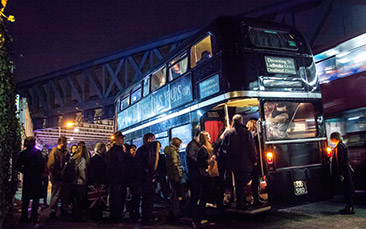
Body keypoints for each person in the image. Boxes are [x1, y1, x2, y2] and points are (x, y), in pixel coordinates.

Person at [222, 114, 256, 210]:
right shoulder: (246, 133)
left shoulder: (228, 133)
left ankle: (239, 201)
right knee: (243, 183)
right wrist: (254, 160)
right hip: (245, 162)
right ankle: (241, 203)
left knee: (237, 183)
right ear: (241, 121)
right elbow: (251, 148)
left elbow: (224, 148)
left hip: (233, 164)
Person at [16, 137, 45, 225]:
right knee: (35, 199)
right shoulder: (37, 153)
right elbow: (41, 165)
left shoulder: (23, 153)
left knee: (26, 199)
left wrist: (25, 171)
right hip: (36, 178)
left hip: (27, 178)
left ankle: (24, 217)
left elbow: (17, 166)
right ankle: (34, 217)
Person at [193, 131, 219, 228]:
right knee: (204, 197)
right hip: (206, 176)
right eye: (207, 136)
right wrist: (211, 160)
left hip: (208, 176)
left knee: (206, 197)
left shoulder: (207, 148)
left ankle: (204, 217)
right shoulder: (202, 150)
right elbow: (202, 164)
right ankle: (198, 219)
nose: (209, 137)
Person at [135, 141, 161, 225]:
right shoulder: (148, 152)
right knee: (148, 199)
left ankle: (147, 216)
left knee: (148, 199)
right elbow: (144, 166)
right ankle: (146, 218)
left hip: (146, 178)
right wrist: (150, 175)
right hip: (146, 179)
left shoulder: (144, 151)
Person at [330, 132, 355, 214]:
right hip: (346, 171)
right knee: (348, 190)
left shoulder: (339, 147)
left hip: (344, 172)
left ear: (334, 138)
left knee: (346, 190)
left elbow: (339, 161)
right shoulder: (344, 146)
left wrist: (341, 174)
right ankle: (349, 207)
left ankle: (349, 208)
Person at [106, 131, 127, 222]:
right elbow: (117, 165)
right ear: (117, 139)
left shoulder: (116, 150)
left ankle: (116, 215)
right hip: (117, 179)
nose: (123, 140)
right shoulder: (115, 151)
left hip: (117, 179)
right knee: (117, 198)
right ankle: (116, 216)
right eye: (122, 138)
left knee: (117, 198)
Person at [48, 135, 69, 218]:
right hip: (58, 177)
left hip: (62, 176)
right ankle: (53, 211)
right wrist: (57, 174)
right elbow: (51, 165)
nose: (67, 144)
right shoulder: (55, 152)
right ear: (62, 142)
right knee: (56, 194)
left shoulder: (63, 152)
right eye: (66, 142)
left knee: (62, 194)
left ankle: (62, 210)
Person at [88, 142, 108, 221]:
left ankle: (96, 215)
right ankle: (96, 215)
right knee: (98, 200)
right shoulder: (98, 159)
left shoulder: (95, 158)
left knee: (97, 200)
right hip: (98, 182)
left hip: (98, 182)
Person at [164, 137, 183, 219]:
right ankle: (175, 212)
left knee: (174, 194)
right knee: (176, 194)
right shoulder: (173, 152)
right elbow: (175, 165)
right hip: (174, 176)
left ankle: (173, 212)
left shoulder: (170, 151)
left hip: (171, 175)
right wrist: (179, 175)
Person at [246, 119, 264, 206]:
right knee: (256, 180)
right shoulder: (257, 135)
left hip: (250, 161)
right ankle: (256, 197)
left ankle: (255, 197)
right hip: (256, 160)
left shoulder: (247, 135)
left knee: (254, 179)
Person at [72, 142, 89, 220]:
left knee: (75, 200)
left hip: (74, 181)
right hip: (80, 182)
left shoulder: (74, 158)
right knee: (80, 200)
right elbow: (82, 171)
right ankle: (78, 216)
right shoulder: (82, 160)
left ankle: (75, 215)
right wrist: (85, 179)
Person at [186, 130, 201, 213]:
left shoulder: (195, 145)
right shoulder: (192, 145)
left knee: (196, 191)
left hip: (194, 172)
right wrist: (201, 162)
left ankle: (193, 209)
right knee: (195, 191)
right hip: (194, 172)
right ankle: (192, 210)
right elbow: (191, 157)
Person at [125, 144, 140, 221]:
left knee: (135, 198)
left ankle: (135, 213)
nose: (135, 151)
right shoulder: (129, 159)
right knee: (132, 198)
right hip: (131, 181)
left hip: (135, 181)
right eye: (133, 150)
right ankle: (132, 213)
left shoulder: (135, 159)